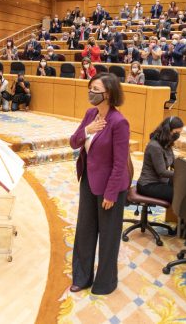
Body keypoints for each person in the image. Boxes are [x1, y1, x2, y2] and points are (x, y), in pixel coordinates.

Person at [69, 72, 129, 295]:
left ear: (109, 93)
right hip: (88, 181)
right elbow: (73, 142)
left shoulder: (119, 122)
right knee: (84, 231)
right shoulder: (90, 114)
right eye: (90, 88)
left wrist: (111, 194)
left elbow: (120, 162)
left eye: (96, 90)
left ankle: (106, 282)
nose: (91, 93)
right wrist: (87, 130)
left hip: (110, 187)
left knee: (109, 236)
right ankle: (82, 277)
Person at [137, 116, 184, 202]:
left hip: (160, 181)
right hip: (148, 185)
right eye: (176, 132)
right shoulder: (155, 146)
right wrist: (181, 174)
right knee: (180, 194)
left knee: (185, 188)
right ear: (168, 130)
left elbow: (174, 164)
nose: (177, 136)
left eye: (179, 133)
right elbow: (162, 172)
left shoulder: (167, 143)